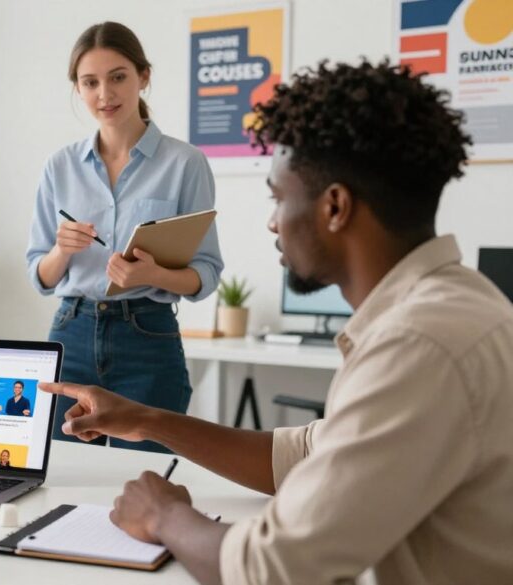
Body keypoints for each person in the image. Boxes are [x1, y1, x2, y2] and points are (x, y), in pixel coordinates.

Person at [40, 60, 513, 584]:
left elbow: (276, 569)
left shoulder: (419, 344)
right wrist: (147, 420)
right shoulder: (454, 304)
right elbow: (311, 452)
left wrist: (165, 515)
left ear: (334, 207)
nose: (271, 220)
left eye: (278, 197)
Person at [26, 22, 223, 453]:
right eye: (90, 82)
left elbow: (205, 273)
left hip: (147, 337)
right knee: (64, 470)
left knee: (150, 477)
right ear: (77, 88)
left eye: (118, 77)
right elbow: (39, 274)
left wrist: (153, 274)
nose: (104, 94)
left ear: (143, 77)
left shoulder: (184, 163)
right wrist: (61, 250)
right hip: (71, 333)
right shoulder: (59, 166)